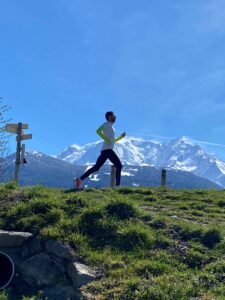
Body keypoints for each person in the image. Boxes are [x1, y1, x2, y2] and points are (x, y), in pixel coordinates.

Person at [73, 111, 126, 189]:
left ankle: (79, 179)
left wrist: (120, 137)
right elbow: (98, 131)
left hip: (105, 150)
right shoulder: (106, 124)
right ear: (109, 117)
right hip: (108, 150)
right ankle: (117, 186)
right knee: (119, 165)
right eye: (114, 116)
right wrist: (106, 139)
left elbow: (112, 141)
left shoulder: (111, 127)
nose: (115, 117)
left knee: (96, 167)